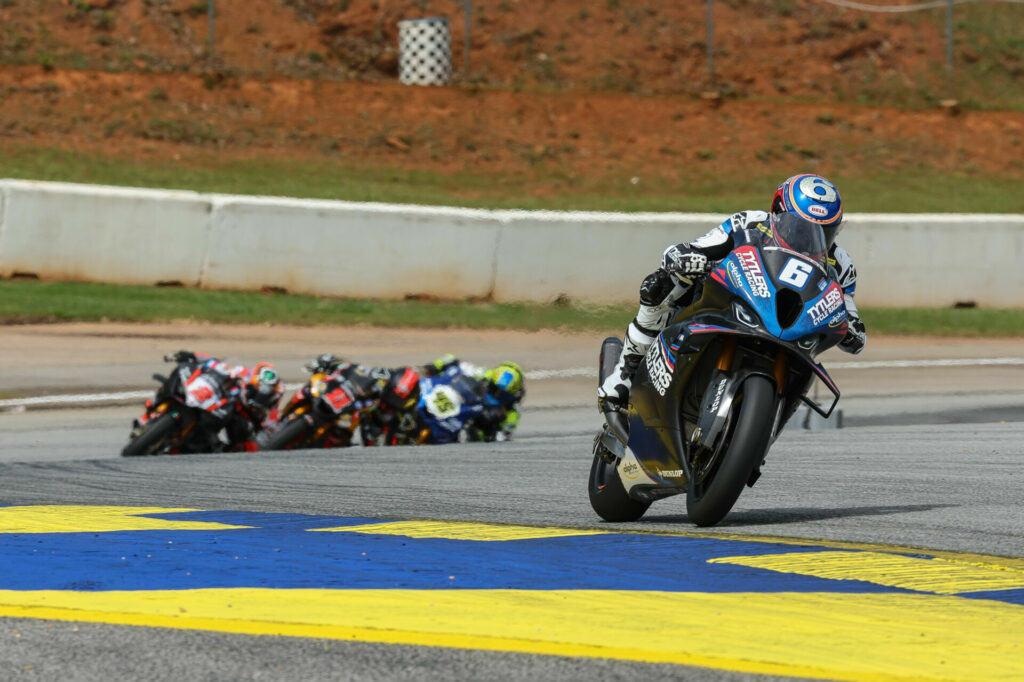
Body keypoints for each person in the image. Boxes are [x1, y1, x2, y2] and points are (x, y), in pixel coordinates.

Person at [597, 173, 867, 416]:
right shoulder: (749, 223)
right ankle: (627, 370)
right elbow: (691, 249)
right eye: (799, 228)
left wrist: (851, 331)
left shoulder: (840, 264)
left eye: (823, 233)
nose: (808, 241)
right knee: (660, 284)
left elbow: (851, 320)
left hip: (790, 333)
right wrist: (689, 259)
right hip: (735, 304)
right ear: (776, 212)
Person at [168, 351, 283, 451]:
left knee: (242, 444)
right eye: (256, 393)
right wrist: (190, 355)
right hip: (211, 398)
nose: (258, 399)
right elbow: (214, 363)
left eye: (263, 397)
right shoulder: (240, 372)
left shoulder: (269, 407)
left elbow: (269, 429)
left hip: (225, 417)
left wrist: (264, 434)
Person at [425, 355, 525, 442]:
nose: (496, 394)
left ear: (511, 393)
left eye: (502, 393)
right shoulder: (486, 374)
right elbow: (463, 367)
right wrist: (441, 364)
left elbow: (504, 435)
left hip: (474, 423)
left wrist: (489, 432)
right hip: (459, 401)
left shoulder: (512, 411)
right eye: (494, 388)